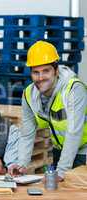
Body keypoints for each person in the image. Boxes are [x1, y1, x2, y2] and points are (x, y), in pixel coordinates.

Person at [8, 40, 87, 181]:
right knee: (59, 193)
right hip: (59, 150)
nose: (40, 77)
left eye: (46, 71)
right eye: (35, 72)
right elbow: (27, 134)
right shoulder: (28, 95)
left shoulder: (73, 89)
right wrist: (21, 164)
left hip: (84, 151)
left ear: (56, 71)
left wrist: (62, 171)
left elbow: (74, 132)